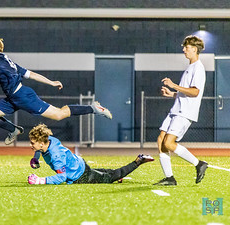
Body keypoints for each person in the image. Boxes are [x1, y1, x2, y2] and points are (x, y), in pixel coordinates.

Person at [0, 35, 112, 146]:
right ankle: (14, 130)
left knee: (59, 115)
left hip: (22, 96)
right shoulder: (7, 61)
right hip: (12, 98)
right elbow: (31, 74)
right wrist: (51, 82)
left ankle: (94, 108)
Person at [154, 35, 208, 186]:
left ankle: (199, 164)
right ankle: (170, 178)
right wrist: (172, 94)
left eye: (187, 47)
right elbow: (186, 92)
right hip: (176, 109)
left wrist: (174, 85)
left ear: (195, 49)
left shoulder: (198, 68)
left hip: (185, 112)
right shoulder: (190, 67)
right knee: (161, 141)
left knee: (169, 143)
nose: (184, 50)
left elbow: (195, 92)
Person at [27, 124, 154, 185]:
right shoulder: (50, 140)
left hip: (80, 176)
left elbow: (62, 177)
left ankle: (138, 161)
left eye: (33, 143)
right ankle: (117, 176)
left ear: (42, 143)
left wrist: (40, 180)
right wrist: (36, 158)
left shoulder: (56, 157)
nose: (31, 145)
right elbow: (39, 149)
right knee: (105, 173)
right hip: (80, 165)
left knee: (110, 177)